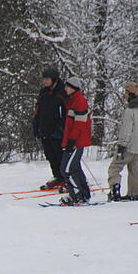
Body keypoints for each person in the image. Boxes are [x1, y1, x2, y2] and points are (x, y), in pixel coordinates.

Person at [109, 82, 138, 199]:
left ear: (131, 94)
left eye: (125, 92)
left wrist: (121, 145)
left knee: (115, 167)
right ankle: (135, 193)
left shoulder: (130, 110)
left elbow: (126, 130)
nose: (124, 95)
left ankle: (115, 188)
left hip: (128, 146)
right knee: (134, 169)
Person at [33, 67, 68, 190]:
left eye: (47, 79)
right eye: (44, 79)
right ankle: (57, 176)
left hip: (57, 131)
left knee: (60, 155)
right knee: (50, 155)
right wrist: (36, 125)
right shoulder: (43, 92)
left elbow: (66, 112)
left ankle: (67, 178)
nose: (44, 81)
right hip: (45, 129)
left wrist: (61, 128)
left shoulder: (62, 92)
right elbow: (38, 110)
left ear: (54, 79)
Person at [58, 76, 93, 205]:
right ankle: (84, 194)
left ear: (73, 88)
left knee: (67, 170)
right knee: (75, 168)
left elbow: (79, 125)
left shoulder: (79, 101)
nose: (65, 89)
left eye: (67, 86)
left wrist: (71, 141)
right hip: (72, 140)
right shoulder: (72, 100)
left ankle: (76, 195)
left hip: (76, 141)